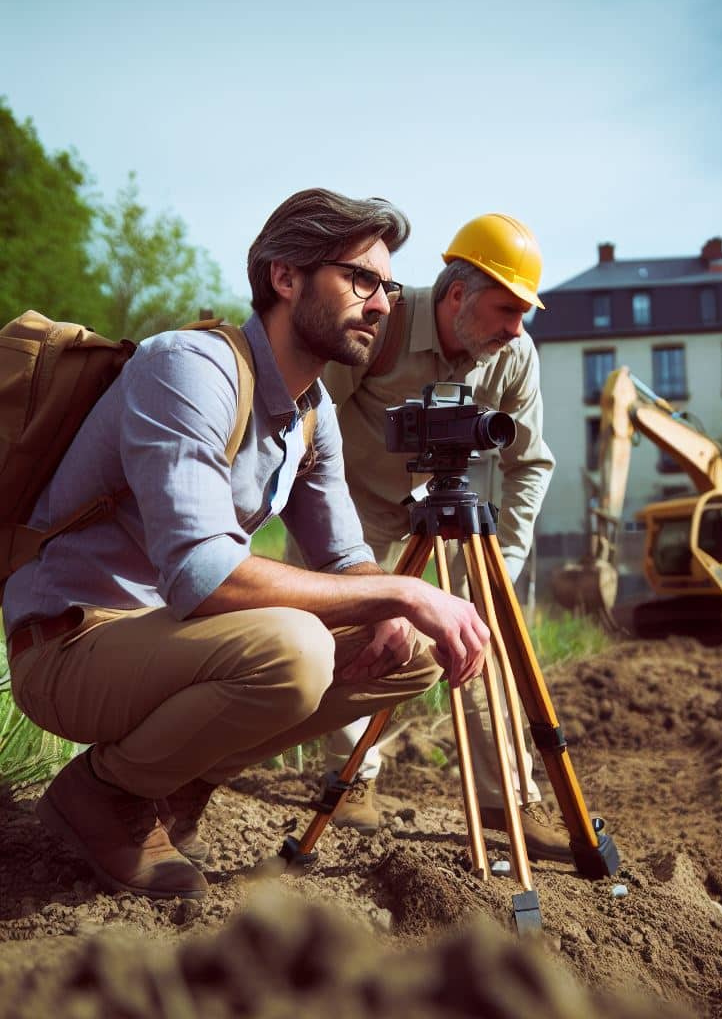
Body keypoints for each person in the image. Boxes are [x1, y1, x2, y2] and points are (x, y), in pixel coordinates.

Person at [2, 189, 489, 902]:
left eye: (387, 285)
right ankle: (105, 794)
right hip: (72, 645)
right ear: (285, 277)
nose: (382, 303)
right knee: (296, 648)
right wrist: (403, 588)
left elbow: (345, 556)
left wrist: (396, 605)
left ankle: (173, 786)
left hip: (169, 645)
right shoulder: (190, 369)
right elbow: (205, 577)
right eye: (360, 279)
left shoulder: (311, 412)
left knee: (408, 647)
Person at [311, 214, 573, 862]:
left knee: (479, 633)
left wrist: (502, 569)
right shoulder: (382, 324)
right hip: (356, 503)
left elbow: (531, 462)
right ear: (457, 296)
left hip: (446, 504)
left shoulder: (514, 355)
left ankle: (507, 799)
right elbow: (307, 416)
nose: (517, 327)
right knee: (346, 631)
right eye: (505, 309)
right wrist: (326, 536)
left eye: (524, 313)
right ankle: (352, 781)